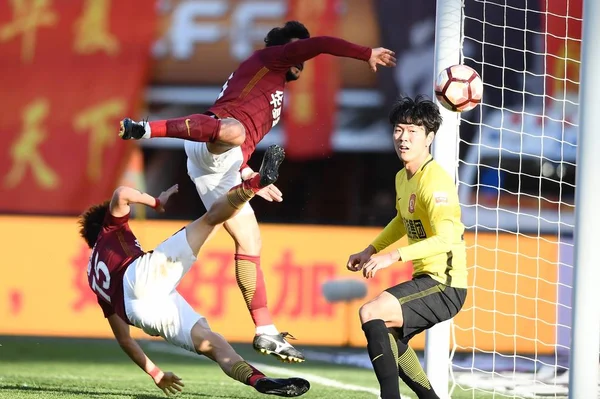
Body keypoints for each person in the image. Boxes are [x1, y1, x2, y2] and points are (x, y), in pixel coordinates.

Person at [118, 20, 397, 363]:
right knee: (233, 130)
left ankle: (266, 331)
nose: (301, 58)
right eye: (298, 49)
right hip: (212, 140)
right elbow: (321, 43)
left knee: (250, 243)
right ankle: (146, 128)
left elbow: (246, 141)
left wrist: (247, 170)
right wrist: (366, 52)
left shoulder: (272, 83)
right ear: (283, 46)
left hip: (222, 164)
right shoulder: (272, 58)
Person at [78, 146, 309, 397]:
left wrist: (156, 374)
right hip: (139, 277)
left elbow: (124, 338)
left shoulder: (93, 275)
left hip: (139, 312)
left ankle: (259, 381)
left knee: (212, 343)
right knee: (211, 219)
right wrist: (156, 201)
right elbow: (121, 193)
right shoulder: (109, 230)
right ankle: (255, 183)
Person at [346, 96, 468, 399]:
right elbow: (402, 221)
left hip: (445, 284)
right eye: (399, 130)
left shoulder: (435, 182)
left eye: (413, 131)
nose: (404, 137)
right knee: (386, 333)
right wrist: (371, 250)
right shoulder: (403, 177)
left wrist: (393, 256)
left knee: (372, 311)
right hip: (427, 280)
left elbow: (446, 239)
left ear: (429, 138)